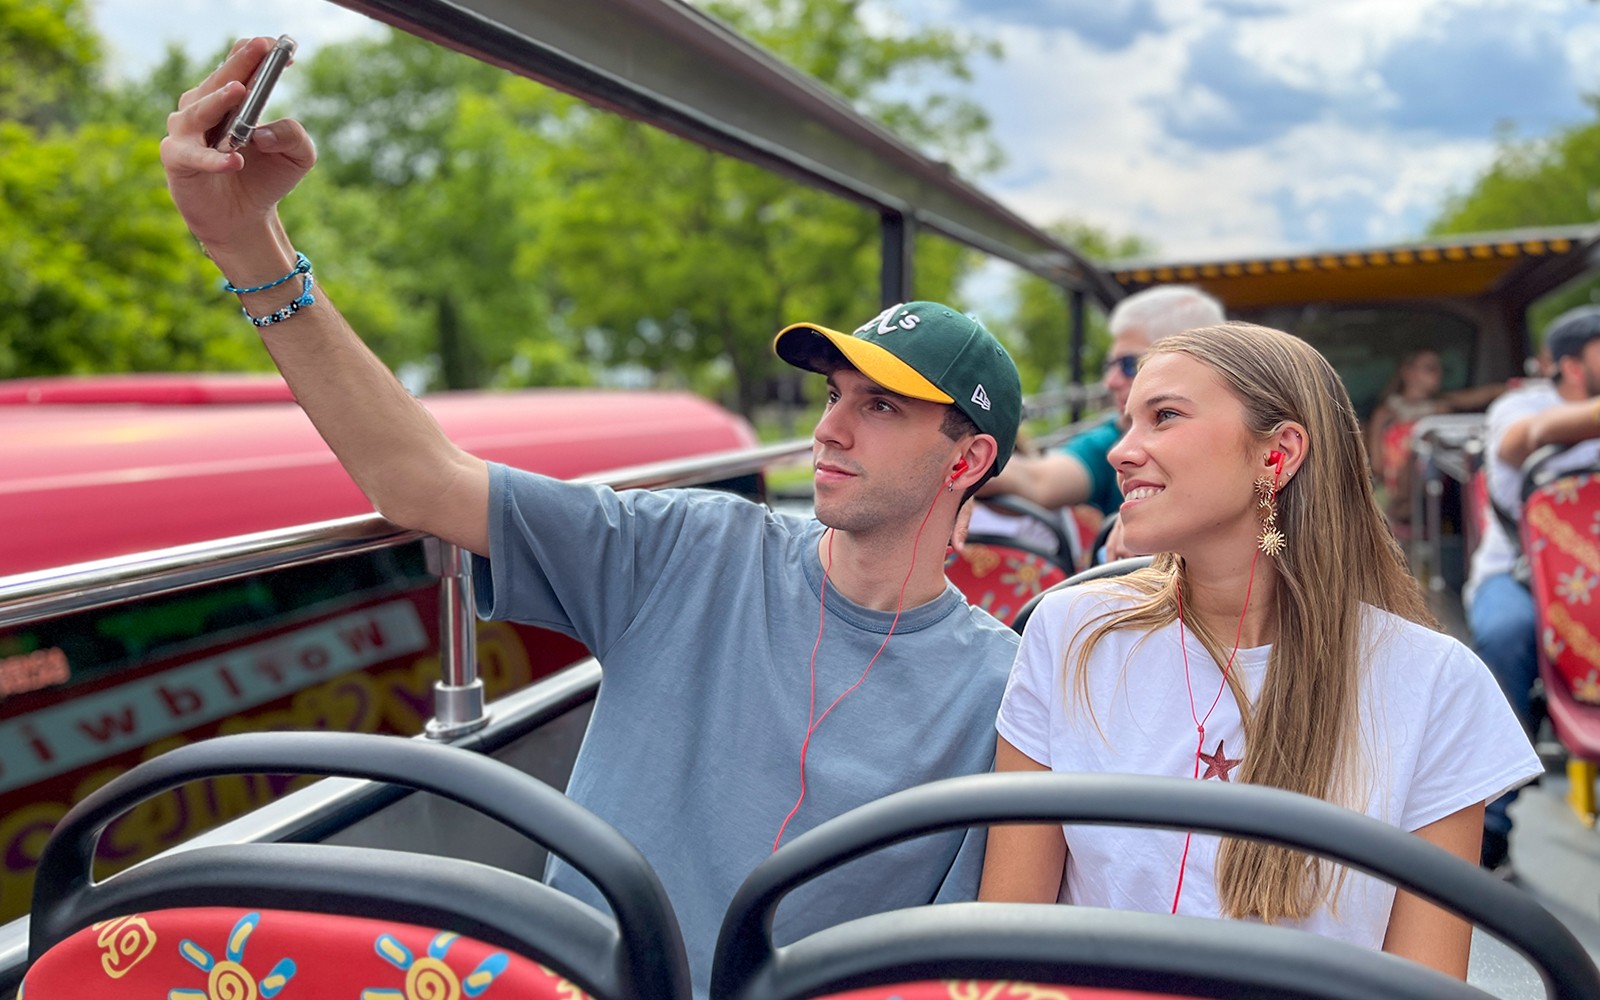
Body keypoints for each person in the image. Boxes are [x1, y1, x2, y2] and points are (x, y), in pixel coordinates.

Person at [161, 38, 1024, 998]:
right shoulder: (694, 550)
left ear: (969, 458)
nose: (830, 428)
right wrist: (247, 246)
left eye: (882, 408)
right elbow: (419, 479)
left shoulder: (1001, 688)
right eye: (833, 394)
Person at [979, 322, 1540, 979]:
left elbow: (1422, 983)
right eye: (1127, 422)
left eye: (1164, 417)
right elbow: (1007, 951)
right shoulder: (1068, 631)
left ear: (1278, 454)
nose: (1121, 452)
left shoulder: (1434, 684)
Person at [1464, 304, 1600, 871]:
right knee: (1506, 633)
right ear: (1572, 363)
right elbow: (1524, 440)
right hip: (1522, 576)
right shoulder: (1523, 406)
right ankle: (1489, 825)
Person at [979, 285, 1224, 561]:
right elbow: (1039, 480)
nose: (1111, 381)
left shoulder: (1241, 439)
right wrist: (964, 477)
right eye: (1110, 366)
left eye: (1130, 364)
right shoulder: (1112, 437)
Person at [1366, 348, 1505, 528]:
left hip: (1430, 496)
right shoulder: (1385, 414)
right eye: (1430, 368)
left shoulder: (1442, 409)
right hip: (1392, 496)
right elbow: (1377, 465)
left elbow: (1482, 395)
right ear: (1408, 373)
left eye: (1441, 369)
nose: (1438, 374)